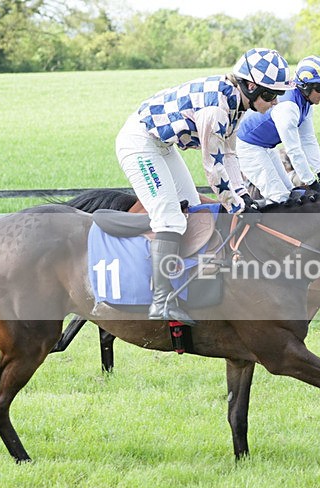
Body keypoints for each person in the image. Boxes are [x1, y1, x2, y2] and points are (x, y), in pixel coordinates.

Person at [116, 47, 294, 322]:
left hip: (162, 145)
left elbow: (230, 154)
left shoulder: (236, 103)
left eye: (278, 96)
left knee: (197, 212)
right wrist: (235, 204)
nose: (274, 103)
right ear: (249, 86)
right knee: (170, 219)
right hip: (140, 143)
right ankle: (160, 301)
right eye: (270, 95)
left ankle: (191, 288)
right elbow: (213, 168)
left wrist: (244, 196)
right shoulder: (217, 110)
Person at [236, 55, 320, 203]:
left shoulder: (306, 103)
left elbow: (308, 139)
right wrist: (312, 183)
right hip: (249, 148)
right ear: (305, 86)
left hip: (266, 147)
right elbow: (293, 149)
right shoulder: (288, 107)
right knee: (280, 197)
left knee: (292, 192)